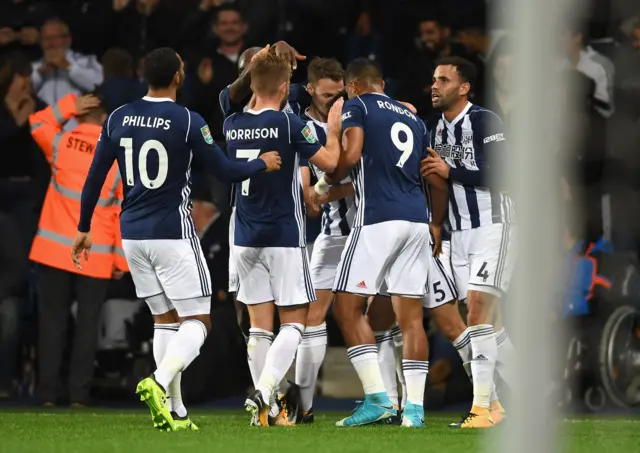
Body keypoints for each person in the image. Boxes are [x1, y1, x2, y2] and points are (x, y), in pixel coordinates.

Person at [71, 47, 281, 432]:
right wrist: (261, 163)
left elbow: (95, 175)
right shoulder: (187, 120)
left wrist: (84, 227)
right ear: (179, 77)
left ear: (144, 76)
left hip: (132, 235)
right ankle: (159, 380)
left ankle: (176, 410)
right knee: (199, 321)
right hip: (172, 233)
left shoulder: (118, 117)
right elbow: (224, 169)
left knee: (165, 320)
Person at [314, 58, 448, 427]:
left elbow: (351, 156)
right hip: (417, 222)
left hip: (378, 221)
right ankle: (415, 411)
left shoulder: (357, 106)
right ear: (381, 83)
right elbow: (435, 179)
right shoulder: (414, 119)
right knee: (411, 319)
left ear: (353, 86)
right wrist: (436, 223)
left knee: (345, 308)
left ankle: (378, 399)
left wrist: (332, 149)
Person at [225, 48, 343, 427]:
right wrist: (336, 128)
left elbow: (234, 94)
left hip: (244, 236)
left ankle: (269, 411)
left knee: (259, 326)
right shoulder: (291, 124)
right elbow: (331, 164)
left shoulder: (232, 122)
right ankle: (266, 390)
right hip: (283, 235)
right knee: (295, 322)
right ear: (287, 86)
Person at [422, 56, 516, 428]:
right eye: (433, 79)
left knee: (476, 311)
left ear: (463, 88)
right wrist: (437, 223)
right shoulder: (435, 131)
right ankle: (514, 400)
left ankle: (481, 409)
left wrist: (451, 170)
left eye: (443, 79)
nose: (434, 85)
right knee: (490, 327)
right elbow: (441, 184)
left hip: (495, 223)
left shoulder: (484, 120)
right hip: (458, 234)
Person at [28, 91, 126, 407]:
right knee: (87, 325)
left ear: (81, 114)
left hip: (53, 250)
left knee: (52, 323)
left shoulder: (61, 143)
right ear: (105, 120)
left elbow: (36, 122)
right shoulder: (116, 157)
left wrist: (67, 105)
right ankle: (78, 397)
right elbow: (122, 211)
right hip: (95, 254)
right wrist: (120, 260)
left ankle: (47, 395)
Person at [294, 57, 352, 423]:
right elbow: (306, 185)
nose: (333, 103)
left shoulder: (357, 116)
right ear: (310, 89)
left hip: (375, 228)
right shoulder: (299, 127)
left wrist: (321, 191)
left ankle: (401, 404)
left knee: (389, 318)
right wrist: (309, 191)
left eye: (339, 95)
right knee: (313, 315)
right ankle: (304, 406)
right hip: (335, 233)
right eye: (327, 96)